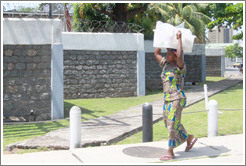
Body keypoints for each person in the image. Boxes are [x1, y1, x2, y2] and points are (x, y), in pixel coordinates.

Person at [154, 30, 198, 161]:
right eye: (166, 53)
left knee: (172, 123)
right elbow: (156, 52)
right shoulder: (165, 65)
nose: (166, 55)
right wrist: (161, 38)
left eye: (169, 53)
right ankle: (189, 138)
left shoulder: (180, 67)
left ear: (174, 55)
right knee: (169, 123)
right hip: (167, 99)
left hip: (177, 98)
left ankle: (170, 151)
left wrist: (179, 39)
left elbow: (180, 55)